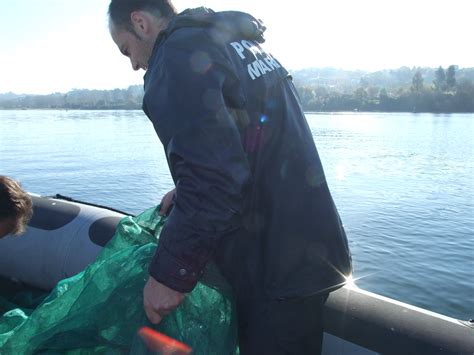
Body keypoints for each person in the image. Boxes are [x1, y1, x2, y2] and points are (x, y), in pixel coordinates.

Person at [108, 1, 352, 353]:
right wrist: (185, 188)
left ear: (140, 23)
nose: (133, 64)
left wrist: (168, 276)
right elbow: (253, 143)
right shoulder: (239, 44)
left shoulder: (176, 57)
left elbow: (214, 181)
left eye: (126, 49)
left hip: (271, 269)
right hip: (312, 251)